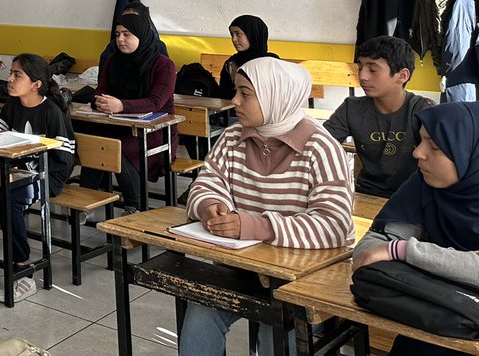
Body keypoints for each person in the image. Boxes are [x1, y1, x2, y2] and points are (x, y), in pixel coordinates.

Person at [178, 59, 354, 356]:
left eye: (245, 94)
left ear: (276, 96)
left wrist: (254, 225)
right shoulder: (232, 138)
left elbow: (333, 225)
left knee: (278, 338)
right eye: (237, 91)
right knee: (199, 319)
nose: (234, 101)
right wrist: (211, 205)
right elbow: (204, 185)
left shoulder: (321, 148)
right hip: (245, 268)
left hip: (303, 280)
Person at [352, 101, 479, 356]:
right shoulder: (423, 185)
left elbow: (388, 249)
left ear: (468, 152)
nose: (418, 153)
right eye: (420, 141)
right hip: (433, 318)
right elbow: (367, 252)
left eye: (434, 146)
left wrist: (402, 251)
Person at [0, 53, 74, 302]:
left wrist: (28, 162)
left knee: (10, 200)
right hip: (15, 172)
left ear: (36, 84)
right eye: (11, 73)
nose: (10, 79)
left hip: (47, 175)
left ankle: (23, 269)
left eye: (18, 75)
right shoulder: (12, 104)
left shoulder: (50, 112)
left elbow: (65, 157)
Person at [78, 12, 177, 211]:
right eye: (117, 34)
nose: (120, 39)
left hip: (155, 132)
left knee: (118, 147)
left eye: (127, 34)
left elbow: (155, 102)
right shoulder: (114, 60)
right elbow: (101, 91)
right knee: (94, 143)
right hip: (117, 125)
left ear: (141, 35)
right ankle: (85, 200)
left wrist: (122, 106)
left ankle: (135, 206)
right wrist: (101, 102)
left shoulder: (164, 65)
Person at [324, 36, 433, 197]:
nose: (362, 76)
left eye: (373, 69)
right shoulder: (351, 108)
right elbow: (320, 144)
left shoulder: (421, 110)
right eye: (360, 67)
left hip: (412, 197)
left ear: (402, 76)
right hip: (366, 194)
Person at [214, 14, 278, 101]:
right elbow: (223, 96)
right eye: (232, 34)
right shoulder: (231, 63)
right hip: (234, 111)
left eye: (238, 34)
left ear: (253, 34)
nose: (234, 39)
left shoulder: (271, 62)